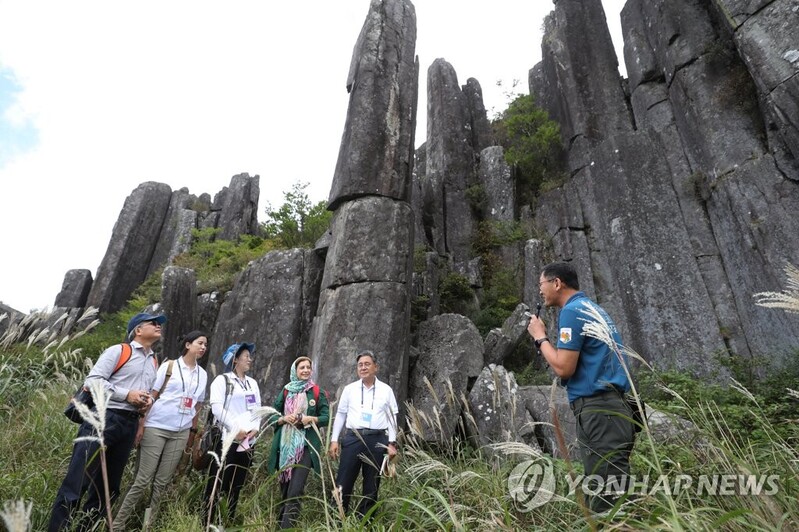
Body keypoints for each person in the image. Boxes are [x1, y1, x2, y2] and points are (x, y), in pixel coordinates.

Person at [526, 262, 634, 512]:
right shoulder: (593, 308)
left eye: (541, 284)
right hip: (612, 409)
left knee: (606, 500)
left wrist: (540, 337)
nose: (540, 291)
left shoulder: (572, 311)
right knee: (611, 491)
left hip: (599, 411)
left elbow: (564, 368)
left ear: (556, 283)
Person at [48, 312, 166, 532]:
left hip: (129, 425)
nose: (159, 326)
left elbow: (145, 393)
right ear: (138, 330)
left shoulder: (154, 360)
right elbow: (92, 382)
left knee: (107, 488)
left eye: (159, 324)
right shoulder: (119, 351)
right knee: (77, 482)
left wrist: (144, 403)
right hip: (102, 418)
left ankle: (87, 529)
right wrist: (126, 394)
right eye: (153, 323)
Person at [114, 330, 209, 530]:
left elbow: (197, 407)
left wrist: (192, 435)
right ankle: (116, 523)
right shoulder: (169, 367)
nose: (203, 347)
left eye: (205, 345)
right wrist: (141, 425)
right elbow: (151, 396)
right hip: (156, 427)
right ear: (188, 345)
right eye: (200, 343)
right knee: (141, 480)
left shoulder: (203, 374)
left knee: (161, 484)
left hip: (180, 433)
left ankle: (148, 525)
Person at [328, 350, 398, 518]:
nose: (363, 367)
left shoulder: (386, 390)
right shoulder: (349, 389)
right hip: (353, 438)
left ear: (376, 367)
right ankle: (337, 518)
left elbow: (392, 417)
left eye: (367, 364)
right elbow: (341, 414)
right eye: (360, 365)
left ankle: (365, 521)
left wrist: (392, 443)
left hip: (377, 439)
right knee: (343, 480)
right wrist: (334, 440)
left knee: (372, 483)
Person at [202, 342, 261, 527]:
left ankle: (227, 520)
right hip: (227, 438)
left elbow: (258, 409)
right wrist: (236, 428)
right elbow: (217, 407)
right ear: (235, 359)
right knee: (218, 480)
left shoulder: (252, 383)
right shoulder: (222, 380)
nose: (249, 359)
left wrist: (255, 429)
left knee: (237, 483)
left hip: (248, 440)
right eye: (246, 356)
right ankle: (207, 522)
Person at [267, 356, 330, 529]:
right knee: (286, 490)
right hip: (285, 448)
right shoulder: (286, 391)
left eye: (308, 367)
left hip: (306, 447)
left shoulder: (316, 392)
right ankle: (281, 525)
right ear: (295, 371)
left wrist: (311, 419)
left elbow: (326, 417)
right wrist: (283, 419)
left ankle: (287, 528)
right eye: (301, 367)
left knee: (295, 491)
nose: (305, 370)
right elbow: (272, 414)